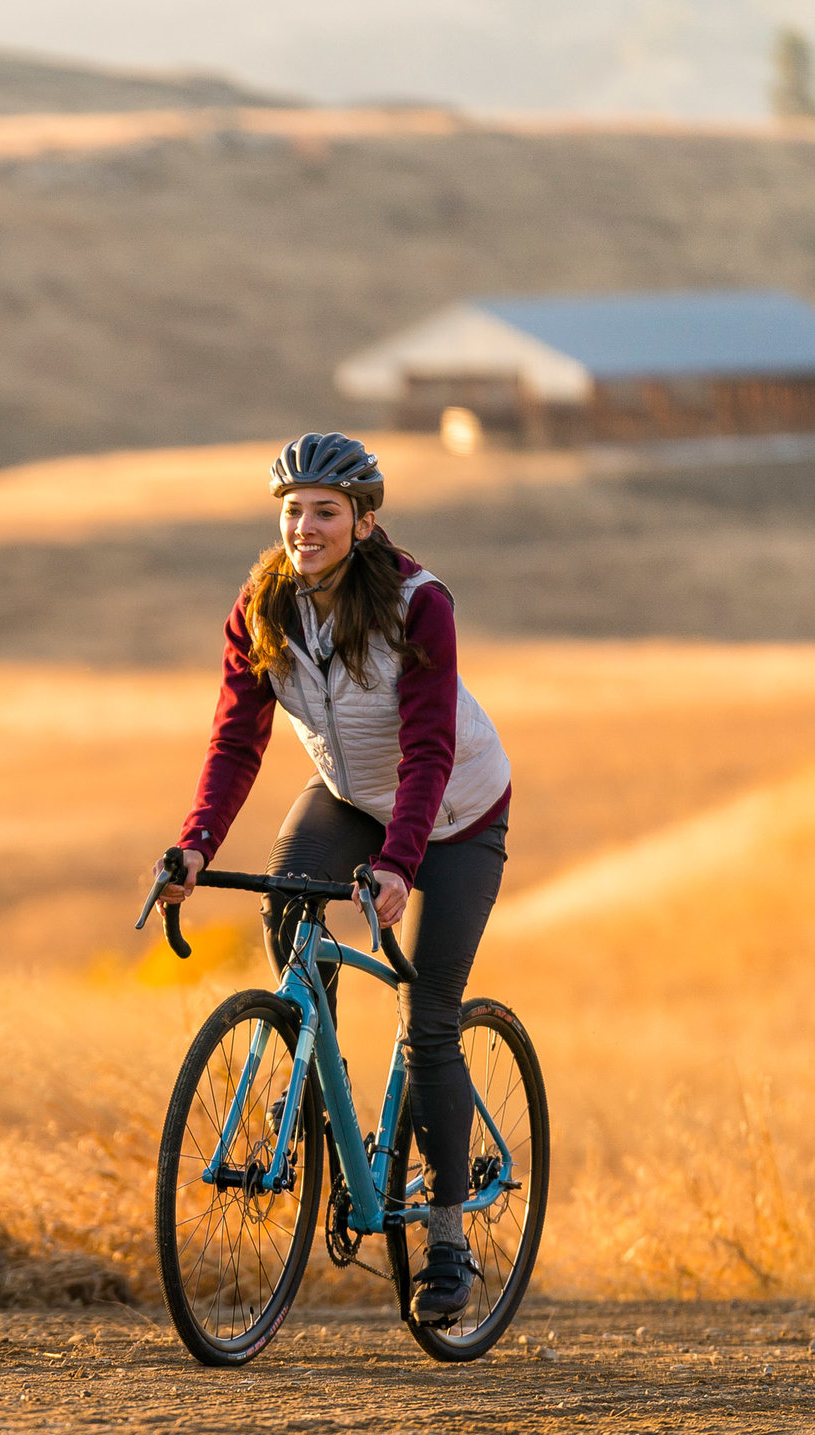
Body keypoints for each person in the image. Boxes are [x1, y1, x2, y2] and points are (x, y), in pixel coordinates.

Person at [158, 432, 513, 1327]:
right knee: (289, 903)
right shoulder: (261, 605)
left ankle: (444, 1239)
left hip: (458, 811)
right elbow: (238, 740)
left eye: (324, 511)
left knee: (430, 1017)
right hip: (352, 795)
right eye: (292, 511)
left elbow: (429, 746)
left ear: (362, 521)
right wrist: (196, 843)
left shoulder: (415, 604)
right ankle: (319, 1066)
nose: (304, 527)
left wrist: (399, 862)